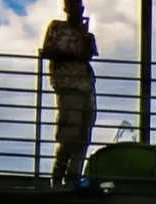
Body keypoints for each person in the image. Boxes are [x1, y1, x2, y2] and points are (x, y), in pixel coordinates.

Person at [40, 0, 97, 185]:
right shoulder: (57, 27)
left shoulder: (85, 33)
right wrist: (75, 50)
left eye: (79, 7)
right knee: (69, 134)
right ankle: (58, 176)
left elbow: (89, 54)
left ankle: (73, 177)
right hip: (68, 84)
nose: (77, 11)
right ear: (66, 9)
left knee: (84, 134)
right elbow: (47, 50)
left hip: (86, 86)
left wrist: (84, 35)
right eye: (73, 7)